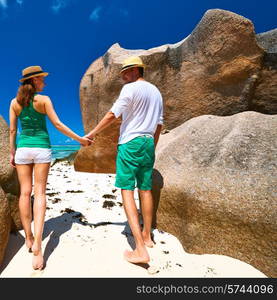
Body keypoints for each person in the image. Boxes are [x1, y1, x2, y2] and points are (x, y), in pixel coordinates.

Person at [9, 65, 91, 270]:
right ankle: (38, 245)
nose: (44, 82)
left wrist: (12, 153)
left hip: (23, 150)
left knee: (24, 194)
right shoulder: (44, 100)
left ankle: (28, 237)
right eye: (42, 79)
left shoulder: (14, 102)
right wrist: (79, 139)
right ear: (34, 80)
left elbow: (12, 130)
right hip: (42, 149)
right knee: (40, 193)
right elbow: (58, 125)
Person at [84, 56, 163, 264]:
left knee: (126, 189)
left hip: (131, 142)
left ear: (136, 70)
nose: (122, 77)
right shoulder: (156, 92)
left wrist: (92, 133)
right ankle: (147, 236)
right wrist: (151, 147)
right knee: (145, 190)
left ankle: (139, 249)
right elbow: (159, 125)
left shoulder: (130, 89)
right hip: (147, 142)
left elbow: (112, 114)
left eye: (125, 72)